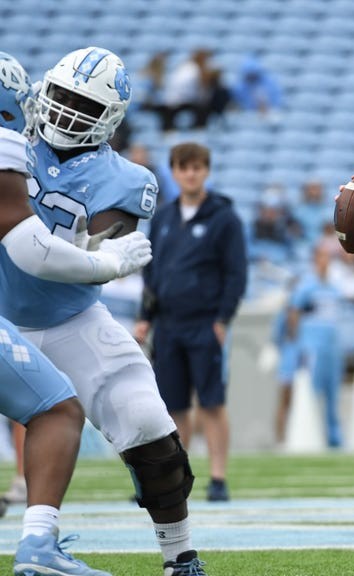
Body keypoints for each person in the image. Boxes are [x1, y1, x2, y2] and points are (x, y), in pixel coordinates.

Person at [3, 47, 208, 576]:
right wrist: (105, 262)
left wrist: (105, 259)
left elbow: (99, 251)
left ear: (111, 118)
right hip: (6, 316)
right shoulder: (10, 141)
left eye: (83, 104)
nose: (67, 110)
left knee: (146, 423)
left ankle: (179, 556)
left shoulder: (128, 179)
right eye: (63, 95)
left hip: (71, 320)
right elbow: (77, 259)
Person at [134, 142, 248, 503]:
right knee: (172, 407)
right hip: (167, 324)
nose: (191, 173)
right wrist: (145, 318)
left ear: (206, 171)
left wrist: (223, 318)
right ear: (174, 171)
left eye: (197, 167)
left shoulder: (223, 216)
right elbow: (152, 275)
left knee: (211, 402)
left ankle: (218, 478)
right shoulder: (165, 218)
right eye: (184, 167)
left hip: (204, 323)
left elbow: (236, 273)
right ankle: (175, 479)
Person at [283, 242, 347, 448]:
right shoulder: (306, 286)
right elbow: (293, 312)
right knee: (311, 390)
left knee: (332, 393)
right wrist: (298, 342)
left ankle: (333, 437)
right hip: (313, 346)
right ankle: (310, 434)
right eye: (322, 257)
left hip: (332, 346)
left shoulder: (334, 288)